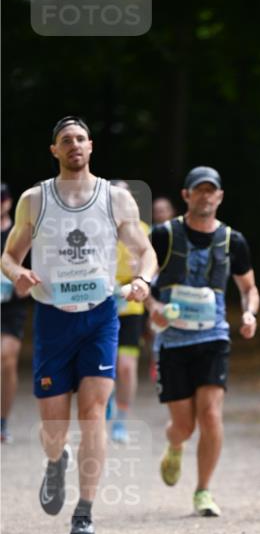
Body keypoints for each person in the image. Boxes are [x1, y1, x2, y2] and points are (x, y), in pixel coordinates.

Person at [0, 116, 156, 534]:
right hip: (53, 317)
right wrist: (18, 273)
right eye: (66, 140)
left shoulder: (115, 199)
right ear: (54, 150)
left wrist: (143, 280)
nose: (74, 145)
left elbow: (146, 252)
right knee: (53, 424)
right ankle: (56, 460)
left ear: (91, 146)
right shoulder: (35, 199)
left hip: (100, 316)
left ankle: (84, 511)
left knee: (92, 414)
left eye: (81, 138)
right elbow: (9, 255)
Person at [147, 166, 260, 517]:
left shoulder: (232, 240)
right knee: (184, 425)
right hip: (173, 341)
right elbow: (143, 281)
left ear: (220, 197)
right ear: (186, 195)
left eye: (211, 190)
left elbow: (249, 288)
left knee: (210, 415)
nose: (205, 196)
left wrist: (249, 313)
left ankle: (203, 490)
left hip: (213, 337)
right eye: (199, 190)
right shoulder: (163, 235)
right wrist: (154, 307)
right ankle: (174, 444)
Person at [108, 181, 152, 444]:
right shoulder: (96, 228)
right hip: (101, 303)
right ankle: (107, 400)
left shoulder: (142, 230)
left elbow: (153, 268)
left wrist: (141, 276)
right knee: (107, 364)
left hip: (131, 307)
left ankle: (121, 420)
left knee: (125, 366)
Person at [1, 183, 29, 444]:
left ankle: (2, 421)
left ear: (9, 202)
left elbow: (36, 270)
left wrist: (24, 286)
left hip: (12, 307)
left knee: (6, 359)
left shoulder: (20, 232)